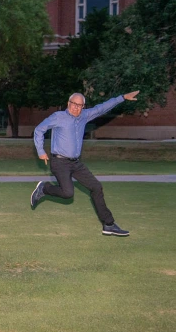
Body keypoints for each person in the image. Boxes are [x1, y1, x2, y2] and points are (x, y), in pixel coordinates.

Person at [30, 90, 140, 236]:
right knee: (68, 193)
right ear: (68, 104)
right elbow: (39, 130)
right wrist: (40, 151)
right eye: (74, 104)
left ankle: (108, 224)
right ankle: (44, 188)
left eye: (80, 105)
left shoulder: (84, 116)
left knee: (96, 187)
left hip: (76, 163)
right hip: (59, 162)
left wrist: (122, 98)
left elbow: (102, 107)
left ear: (83, 107)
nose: (76, 108)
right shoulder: (59, 117)